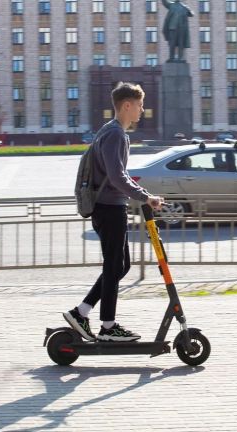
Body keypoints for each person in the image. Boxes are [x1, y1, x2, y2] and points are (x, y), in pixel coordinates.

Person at [64, 82, 164, 342]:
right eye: (140, 105)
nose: (142, 110)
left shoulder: (110, 132)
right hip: (108, 208)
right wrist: (145, 196)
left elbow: (119, 175)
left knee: (120, 265)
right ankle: (108, 326)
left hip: (110, 206)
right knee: (114, 266)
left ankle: (81, 312)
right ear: (127, 105)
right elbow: (116, 176)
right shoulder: (115, 134)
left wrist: (143, 196)